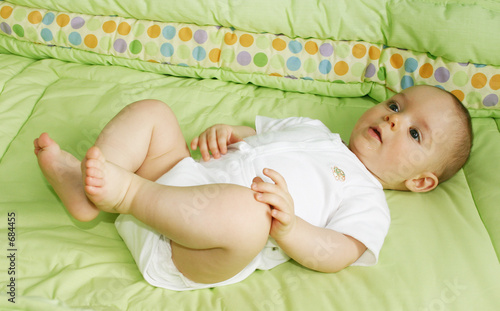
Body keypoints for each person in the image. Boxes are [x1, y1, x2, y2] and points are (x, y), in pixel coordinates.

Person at [33, 85, 472, 290]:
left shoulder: (368, 199)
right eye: (396, 104)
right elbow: (250, 136)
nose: (395, 118)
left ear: (420, 181)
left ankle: (124, 195)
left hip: (194, 248)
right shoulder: (311, 128)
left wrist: (290, 227)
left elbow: (338, 253)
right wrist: (225, 133)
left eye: (415, 134)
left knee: (249, 215)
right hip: (176, 179)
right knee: (154, 113)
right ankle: (87, 191)